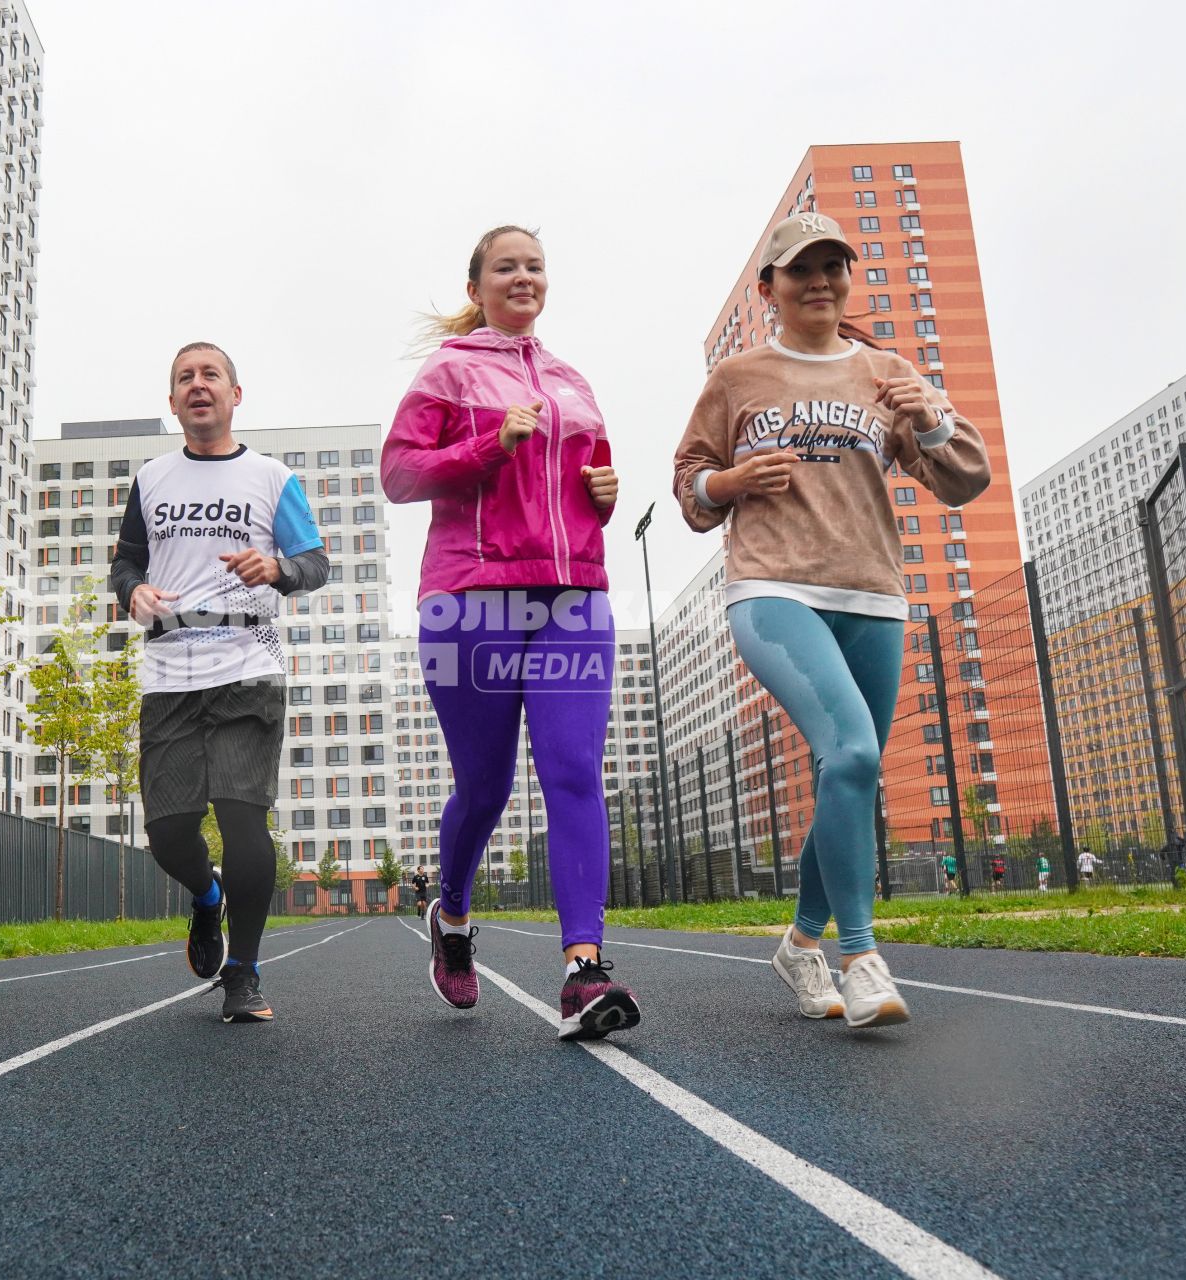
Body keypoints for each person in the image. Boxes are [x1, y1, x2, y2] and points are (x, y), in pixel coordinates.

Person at [674, 211, 990, 1029]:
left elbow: (963, 484)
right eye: (800, 268)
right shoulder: (739, 378)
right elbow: (690, 488)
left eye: (832, 266)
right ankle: (859, 956)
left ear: (848, 277)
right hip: (772, 588)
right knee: (849, 750)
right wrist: (731, 481)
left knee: (845, 772)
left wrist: (928, 417)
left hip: (873, 593)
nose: (819, 280)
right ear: (769, 287)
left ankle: (800, 943)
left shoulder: (887, 372)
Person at [383, 226, 638, 1042]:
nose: (522, 275)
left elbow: (577, 487)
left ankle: (581, 969)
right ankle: (450, 917)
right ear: (478, 284)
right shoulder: (451, 369)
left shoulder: (572, 381)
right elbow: (398, 474)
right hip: (474, 597)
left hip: (574, 597)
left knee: (571, 772)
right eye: (506, 266)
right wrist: (487, 444)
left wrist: (600, 493)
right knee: (485, 788)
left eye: (534, 264)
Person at [108, 342, 328, 1023]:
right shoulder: (151, 479)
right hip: (170, 670)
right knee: (169, 833)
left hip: (247, 661)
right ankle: (206, 899)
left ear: (235, 395)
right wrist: (133, 592)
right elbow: (125, 564)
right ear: (172, 402)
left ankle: (243, 971)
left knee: (242, 816)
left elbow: (315, 563)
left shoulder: (269, 477)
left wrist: (277, 571)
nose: (197, 385)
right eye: (184, 378)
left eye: (210, 375)